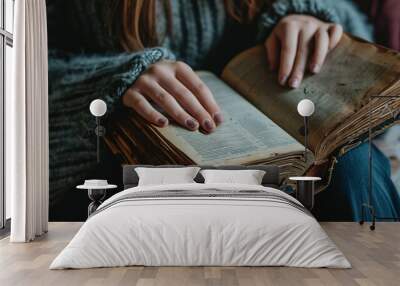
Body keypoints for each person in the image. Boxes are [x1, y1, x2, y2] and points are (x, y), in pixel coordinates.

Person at [47, 0, 399, 221]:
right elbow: (25, 70)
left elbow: (359, 25)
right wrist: (114, 79)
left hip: (274, 136)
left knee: (354, 165)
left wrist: (306, 13)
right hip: (128, 141)